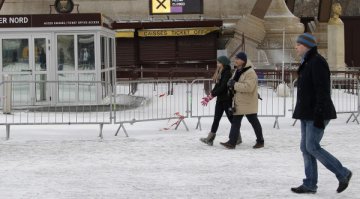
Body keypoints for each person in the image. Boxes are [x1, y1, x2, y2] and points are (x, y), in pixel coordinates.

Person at [291, 33, 352, 194]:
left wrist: (318, 113)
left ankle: (342, 172)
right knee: (305, 148)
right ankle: (310, 183)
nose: (296, 47)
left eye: (298, 44)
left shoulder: (317, 62)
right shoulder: (307, 61)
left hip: (317, 113)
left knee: (312, 147)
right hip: (307, 113)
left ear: (306, 46)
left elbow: (322, 90)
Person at [220, 52, 264, 149]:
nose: (235, 60)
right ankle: (232, 142)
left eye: (237, 59)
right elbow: (235, 82)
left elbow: (248, 87)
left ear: (243, 60)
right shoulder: (238, 70)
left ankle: (260, 141)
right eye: (235, 58)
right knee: (236, 122)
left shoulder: (250, 72)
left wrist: (234, 84)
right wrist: (230, 84)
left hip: (248, 102)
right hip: (239, 101)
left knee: (253, 121)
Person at [200, 56, 243, 146]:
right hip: (220, 99)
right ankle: (210, 139)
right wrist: (210, 95)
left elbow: (223, 87)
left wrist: (212, 95)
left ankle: (237, 138)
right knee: (216, 119)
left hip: (226, 100)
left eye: (219, 62)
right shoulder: (221, 72)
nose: (217, 64)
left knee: (231, 119)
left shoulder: (227, 73)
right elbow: (217, 86)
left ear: (223, 63)